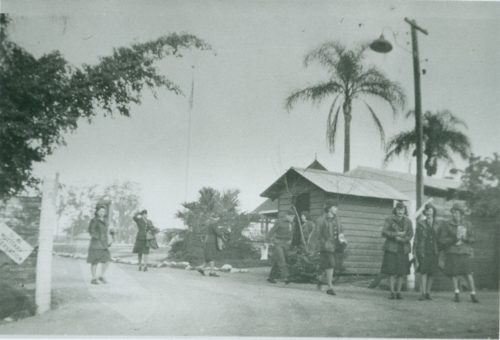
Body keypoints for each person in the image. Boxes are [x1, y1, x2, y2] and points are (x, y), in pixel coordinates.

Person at [438, 202, 479, 303]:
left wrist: (466, 239)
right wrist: (453, 239)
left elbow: (473, 239)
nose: (454, 214)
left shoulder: (468, 224)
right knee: (454, 274)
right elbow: (442, 240)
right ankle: (456, 294)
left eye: (456, 212)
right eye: (453, 212)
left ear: (461, 214)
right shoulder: (446, 224)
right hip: (452, 251)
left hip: (465, 252)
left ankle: (473, 294)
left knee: (468, 273)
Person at [381, 201, 413, 300]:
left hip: (403, 249)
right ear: (395, 210)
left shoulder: (408, 221)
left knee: (401, 272)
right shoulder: (389, 219)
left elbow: (410, 234)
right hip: (391, 248)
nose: (400, 211)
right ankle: (392, 292)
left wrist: (403, 240)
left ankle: (398, 292)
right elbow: (384, 232)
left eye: (402, 210)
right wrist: (396, 235)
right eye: (399, 209)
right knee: (391, 271)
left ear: (405, 211)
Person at [314, 199, 346, 296]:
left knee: (330, 265)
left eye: (337, 207)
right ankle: (330, 287)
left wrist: (343, 240)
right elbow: (317, 235)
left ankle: (320, 280)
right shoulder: (320, 220)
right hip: (326, 246)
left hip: (336, 246)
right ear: (329, 208)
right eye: (334, 207)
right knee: (331, 264)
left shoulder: (338, 219)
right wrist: (320, 246)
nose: (336, 209)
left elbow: (341, 231)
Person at [413, 203, 440, 300]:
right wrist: (414, 250)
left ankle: (428, 292)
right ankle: (423, 293)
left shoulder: (438, 224)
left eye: (431, 211)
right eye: (427, 211)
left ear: (433, 212)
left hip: (434, 250)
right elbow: (417, 238)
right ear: (425, 212)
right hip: (423, 249)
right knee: (423, 271)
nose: (429, 213)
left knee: (431, 272)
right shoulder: (421, 223)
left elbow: (440, 238)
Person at [266, 209, 294, 283]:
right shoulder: (279, 222)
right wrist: (267, 240)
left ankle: (271, 277)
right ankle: (286, 277)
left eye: (293, 217)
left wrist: (291, 240)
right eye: (291, 216)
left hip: (286, 244)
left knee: (278, 260)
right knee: (281, 259)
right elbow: (272, 231)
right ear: (287, 216)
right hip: (278, 243)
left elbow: (292, 233)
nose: (292, 218)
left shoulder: (292, 223)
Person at [87, 204, 113, 284]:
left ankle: (101, 276)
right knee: (95, 261)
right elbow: (91, 231)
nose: (102, 213)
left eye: (103, 211)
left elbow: (108, 231)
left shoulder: (106, 221)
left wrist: (112, 233)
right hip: (96, 244)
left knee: (107, 260)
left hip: (104, 244)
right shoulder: (94, 220)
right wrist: (98, 237)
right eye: (100, 211)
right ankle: (93, 278)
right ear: (97, 212)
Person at [197, 213, 228, 277]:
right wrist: (224, 237)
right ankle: (212, 272)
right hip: (211, 242)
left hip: (207, 241)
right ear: (216, 217)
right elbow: (218, 233)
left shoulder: (209, 223)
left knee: (208, 257)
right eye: (218, 217)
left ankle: (201, 268)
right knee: (211, 257)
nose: (219, 219)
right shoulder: (214, 223)